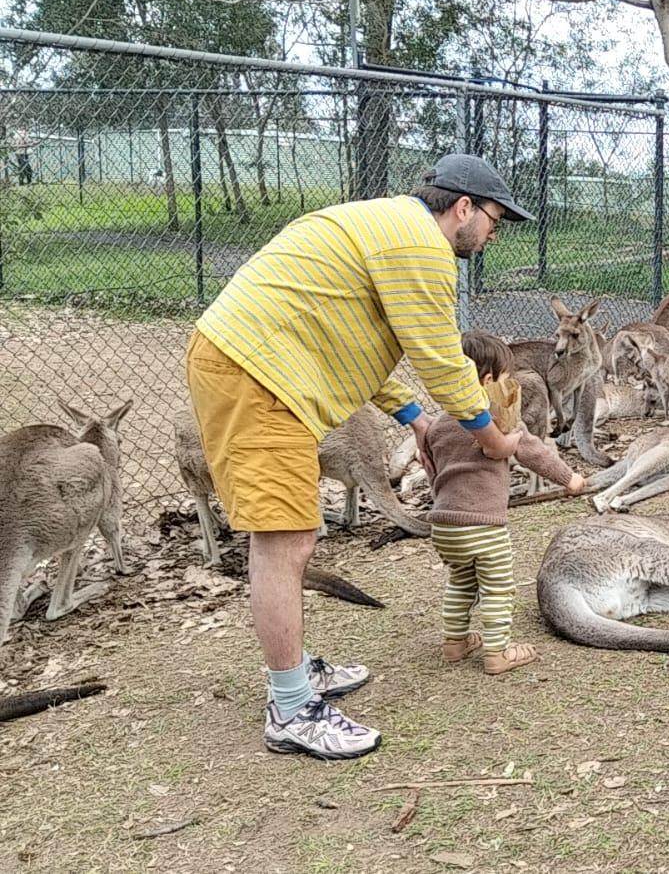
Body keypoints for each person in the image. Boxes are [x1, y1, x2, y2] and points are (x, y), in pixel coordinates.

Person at [185, 154, 530, 760]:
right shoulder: (421, 246)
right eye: (494, 220)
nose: (493, 235)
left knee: (294, 533)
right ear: (464, 207)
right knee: (284, 538)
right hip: (255, 372)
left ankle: (295, 672)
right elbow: (440, 358)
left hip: (261, 365)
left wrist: (414, 417)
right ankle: (291, 707)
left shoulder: (390, 226)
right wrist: (492, 438)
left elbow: (363, 344)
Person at [422, 331, 585, 673]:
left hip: (444, 525)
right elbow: (534, 453)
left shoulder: (436, 425)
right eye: (507, 378)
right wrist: (570, 479)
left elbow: (433, 470)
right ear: (488, 381)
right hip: (484, 525)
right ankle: (497, 652)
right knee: (497, 588)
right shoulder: (499, 420)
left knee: (461, 581)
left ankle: (455, 642)